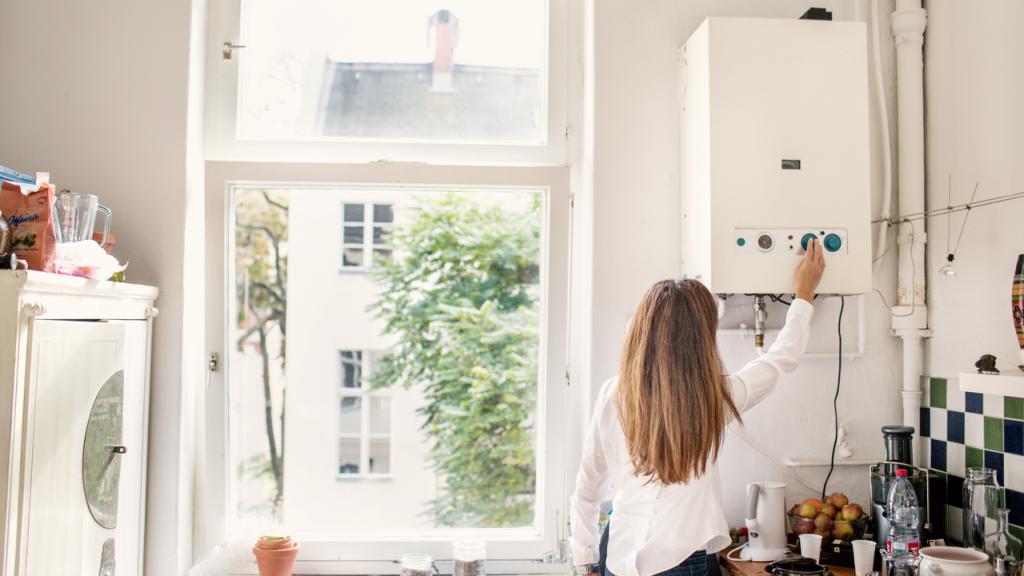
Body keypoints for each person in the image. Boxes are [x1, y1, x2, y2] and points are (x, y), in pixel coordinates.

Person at [569, 240, 827, 576]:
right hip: (680, 560)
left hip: (619, 557)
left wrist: (583, 557)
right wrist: (804, 295)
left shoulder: (613, 393)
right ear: (700, 338)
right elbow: (781, 360)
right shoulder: (712, 396)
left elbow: (588, 487)